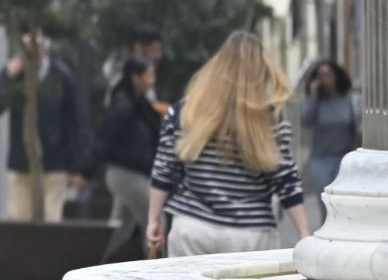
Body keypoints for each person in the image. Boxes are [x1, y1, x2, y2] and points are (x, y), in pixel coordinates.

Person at [146, 31, 312, 257]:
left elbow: (164, 169)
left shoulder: (185, 111)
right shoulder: (270, 117)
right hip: (251, 236)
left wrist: (153, 219)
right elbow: (285, 178)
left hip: (192, 230)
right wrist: (303, 230)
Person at [0, 34, 92, 222]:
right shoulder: (15, 75)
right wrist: (6, 77)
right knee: (21, 219)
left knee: (51, 219)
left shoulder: (61, 76)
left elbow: (76, 121)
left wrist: (77, 165)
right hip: (22, 162)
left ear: (45, 50)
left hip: (54, 161)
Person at [97, 57, 162, 261]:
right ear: (135, 78)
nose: (152, 81)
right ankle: (159, 273)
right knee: (154, 223)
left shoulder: (140, 104)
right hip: (126, 173)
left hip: (133, 173)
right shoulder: (123, 105)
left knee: (119, 229)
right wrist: (86, 169)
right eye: (148, 75)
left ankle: (91, 261)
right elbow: (104, 138)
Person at [301, 58, 361, 221]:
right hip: (321, 159)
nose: (324, 79)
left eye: (328, 74)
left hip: (345, 160)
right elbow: (305, 121)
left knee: (342, 206)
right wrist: (313, 95)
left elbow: (358, 129)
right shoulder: (316, 101)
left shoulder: (350, 100)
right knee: (326, 205)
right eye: (320, 75)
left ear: (336, 76)